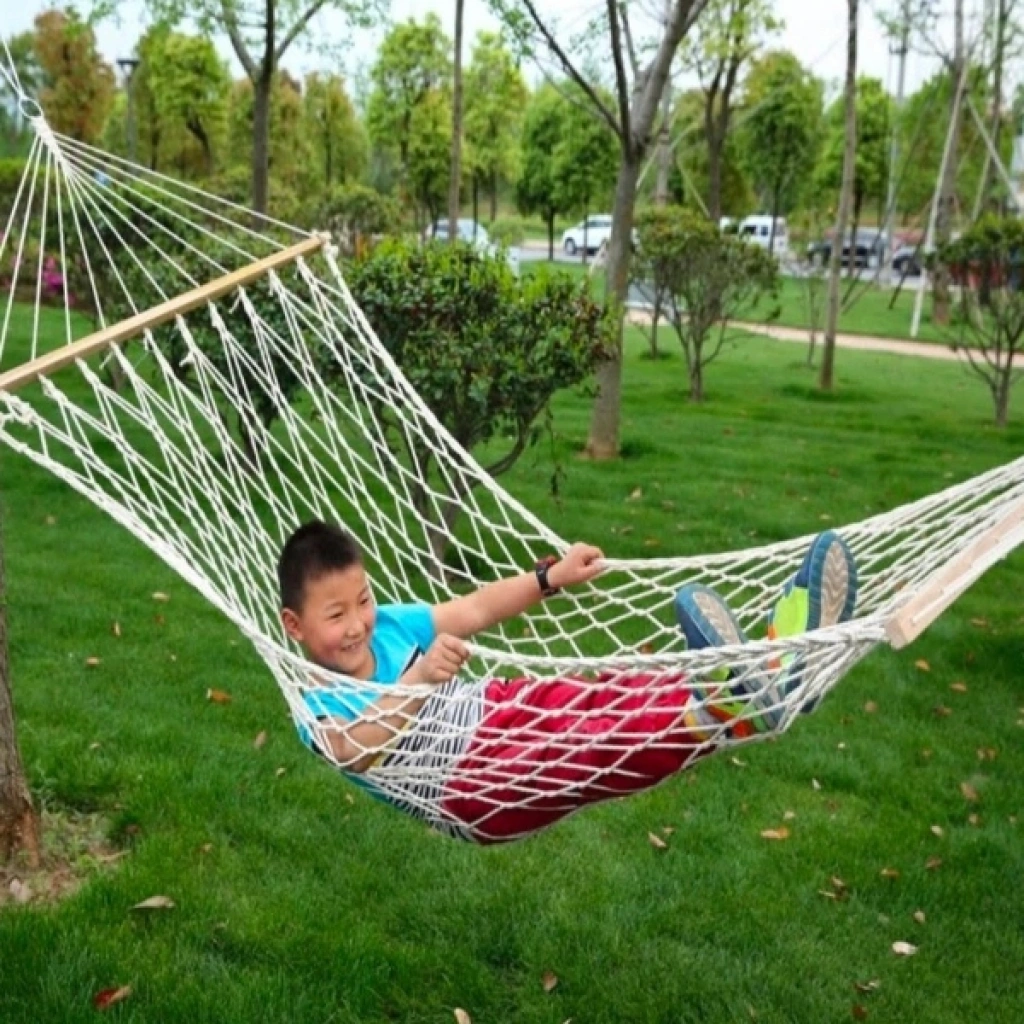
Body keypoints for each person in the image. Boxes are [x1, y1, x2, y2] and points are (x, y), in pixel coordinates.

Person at [279, 522, 857, 843]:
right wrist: (421, 678)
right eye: (336, 614)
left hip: (495, 707)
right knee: (589, 750)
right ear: (295, 626)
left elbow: (477, 607)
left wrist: (550, 576)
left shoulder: (393, 625)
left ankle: (772, 663)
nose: (358, 624)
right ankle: (733, 703)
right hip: (467, 784)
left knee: (608, 693)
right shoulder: (317, 704)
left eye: (364, 600)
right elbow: (350, 750)